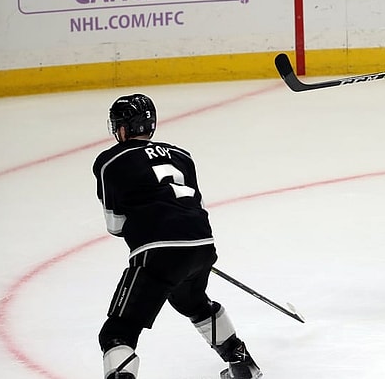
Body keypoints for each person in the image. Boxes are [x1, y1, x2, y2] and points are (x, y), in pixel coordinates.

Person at [92, 94, 262, 379]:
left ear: (123, 128)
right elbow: (196, 206)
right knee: (194, 303)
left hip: (159, 251)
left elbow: (116, 225)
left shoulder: (110, 161)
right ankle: (243, 364)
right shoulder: (182, 155)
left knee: (118, 331)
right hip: (202, 243)